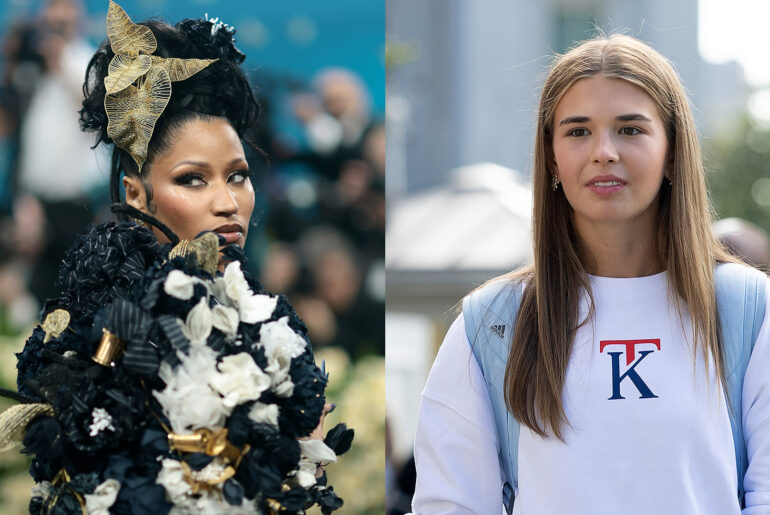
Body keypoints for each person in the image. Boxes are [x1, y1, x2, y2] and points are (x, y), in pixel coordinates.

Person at [6, 2, 353, 513]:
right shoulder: (105, 333)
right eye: (192, 179)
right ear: (136, 194)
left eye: (238, 175)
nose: (227, 203)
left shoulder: (257, 313)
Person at [412, 34, 770, 514]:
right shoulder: (494, 322)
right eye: (578, 131)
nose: (603, 151)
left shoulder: (747, 307)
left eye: (630, 129)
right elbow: (450, 504)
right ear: (552, 157)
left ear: (673, 151)